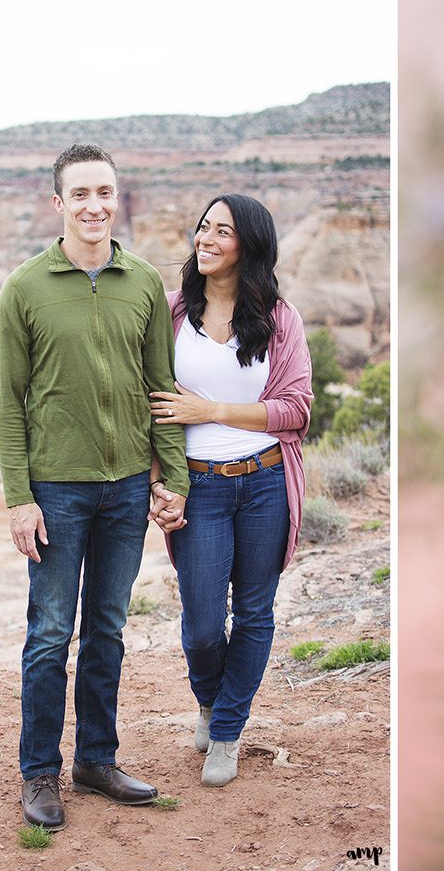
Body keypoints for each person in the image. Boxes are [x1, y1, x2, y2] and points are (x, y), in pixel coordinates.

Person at [0, 142, 189, 831]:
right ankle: (39, 771)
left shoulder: (141, 281)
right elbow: (7, 402)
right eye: (80, 194)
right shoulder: (24, 287)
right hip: (56, 490)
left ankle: (96, 760)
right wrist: (19, 495)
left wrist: (175, 479)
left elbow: (161, 389)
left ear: (117, 197)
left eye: (104, 191)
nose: (94, 205)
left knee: (106, 627)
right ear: (59, 204)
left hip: (128, 486)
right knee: (49, 632)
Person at [146, 192, 313, 788]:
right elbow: (148, 412)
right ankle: (209, 700)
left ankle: (228, 730)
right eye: (203, 227)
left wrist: (211, 408)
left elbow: (295, 411)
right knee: (199, 624)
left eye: (223, 231)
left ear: (250, 245)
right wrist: (157, 483)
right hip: (201, 490)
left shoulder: (278, 318)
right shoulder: (167, 315)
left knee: (255, 613)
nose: (206, 239)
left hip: (266, 481)